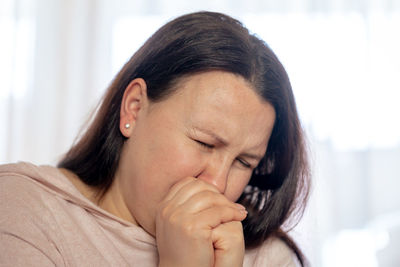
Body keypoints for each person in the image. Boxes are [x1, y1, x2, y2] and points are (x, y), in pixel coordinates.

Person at [0, 11, 310, 267]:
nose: (218, 184)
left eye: (244, 162)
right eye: (204, 142)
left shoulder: (266, 256)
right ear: (133, 109)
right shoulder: (25, 210)